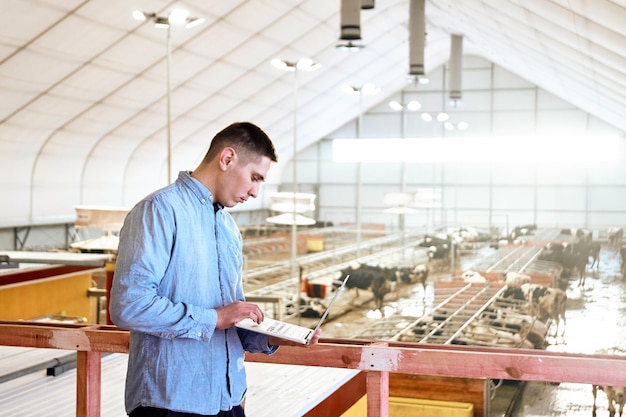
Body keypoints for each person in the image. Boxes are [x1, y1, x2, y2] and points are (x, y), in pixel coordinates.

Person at [109, 121, 320, 417]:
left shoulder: (228, 227)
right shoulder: (159, 210)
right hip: (171, 404)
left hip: (229, 400)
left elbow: (230, 321)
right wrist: (215, 317)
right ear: (227, 159)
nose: (256, 192)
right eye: (254, 178)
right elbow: (129, 305)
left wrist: (273, 336)